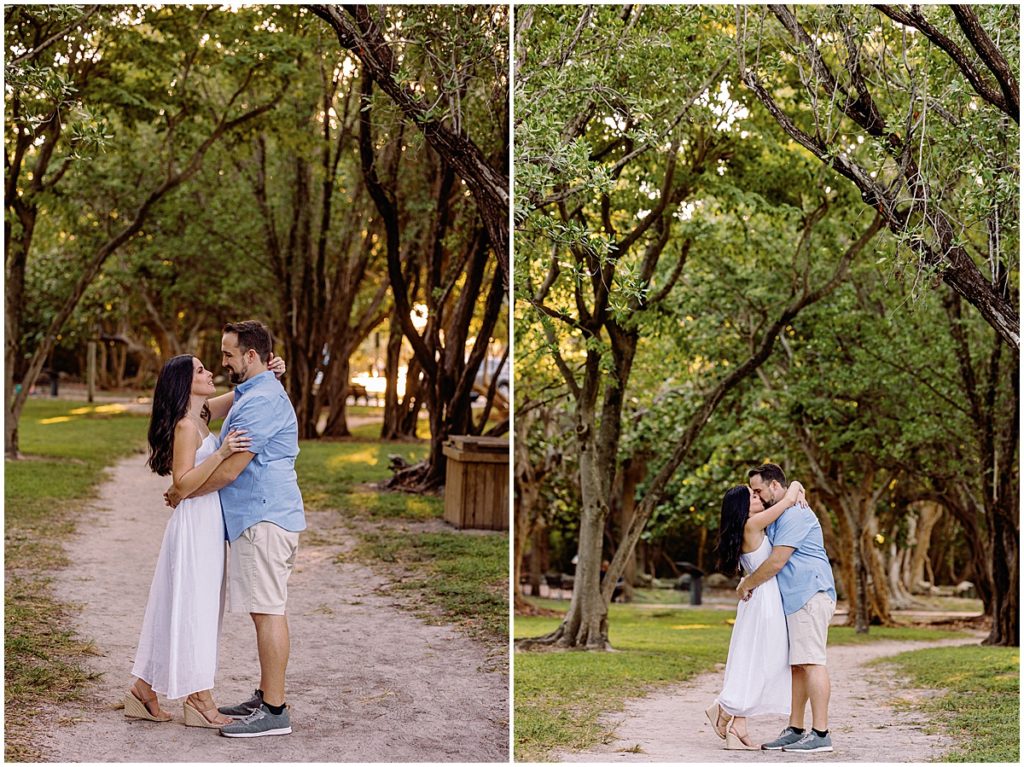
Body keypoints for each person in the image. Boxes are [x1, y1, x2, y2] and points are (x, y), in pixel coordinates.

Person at [165, 320, 305, 738]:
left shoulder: (261, 401)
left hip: (262, 518)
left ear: (250, 356)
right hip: (258, 518)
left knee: (268, 612)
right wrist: (269, 372)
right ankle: (265, 695)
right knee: (265, 608)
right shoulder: (254, 391)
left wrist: (182, 492)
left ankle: (275, 712)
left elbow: (229, 471)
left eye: (228, 355)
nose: (222, 362)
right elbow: (201, 410)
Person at [126, 354, 253, 727]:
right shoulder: (186, 425)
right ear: (185, 383)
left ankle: (143, 689)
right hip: (194, 524)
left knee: (176, 604)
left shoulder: (200, 414)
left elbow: (238, 394)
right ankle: (199, 698)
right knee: (194, 607)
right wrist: (223, 453)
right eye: (201, 370)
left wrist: (267, 372)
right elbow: (181, 484)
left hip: (206, 521)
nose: (210, 372)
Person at [739, 463, 837, 754]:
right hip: (795, 599)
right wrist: (795, 487)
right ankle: (795, 728)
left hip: (810, 594)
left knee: (812, 662)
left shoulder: (794, 514)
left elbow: (777, 562)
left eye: (758, 490)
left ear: (774, 486)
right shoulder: (781, 511)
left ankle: (821, 734)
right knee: (798, 666)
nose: (756, 496)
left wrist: (747, 584)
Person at [705, 480, 806, 749]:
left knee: (757, 660)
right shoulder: (752, 524)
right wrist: (795, 484)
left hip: (762, 597)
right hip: (764, 600)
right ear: (742, 505)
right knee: (765, 661)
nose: (758, 496)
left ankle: (738, 724)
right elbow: (786, 502)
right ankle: (726, 709)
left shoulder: (748, 527)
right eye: (752, 495)